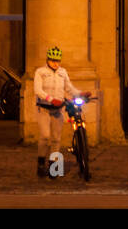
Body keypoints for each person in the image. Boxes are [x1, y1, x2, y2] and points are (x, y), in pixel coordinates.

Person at [32, 46, 91, 178]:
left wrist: (80, 93)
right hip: (44, 109)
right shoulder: (40, 72)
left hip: (58, 110)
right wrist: (51, 99)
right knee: (45, 136)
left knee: (56, 139)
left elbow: (69, 88)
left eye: (57, 61)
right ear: (48, 60)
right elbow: (38, 90)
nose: (55, 63)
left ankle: (54, 168)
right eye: (53, 60)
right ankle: (41, 163)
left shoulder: (62, 72)